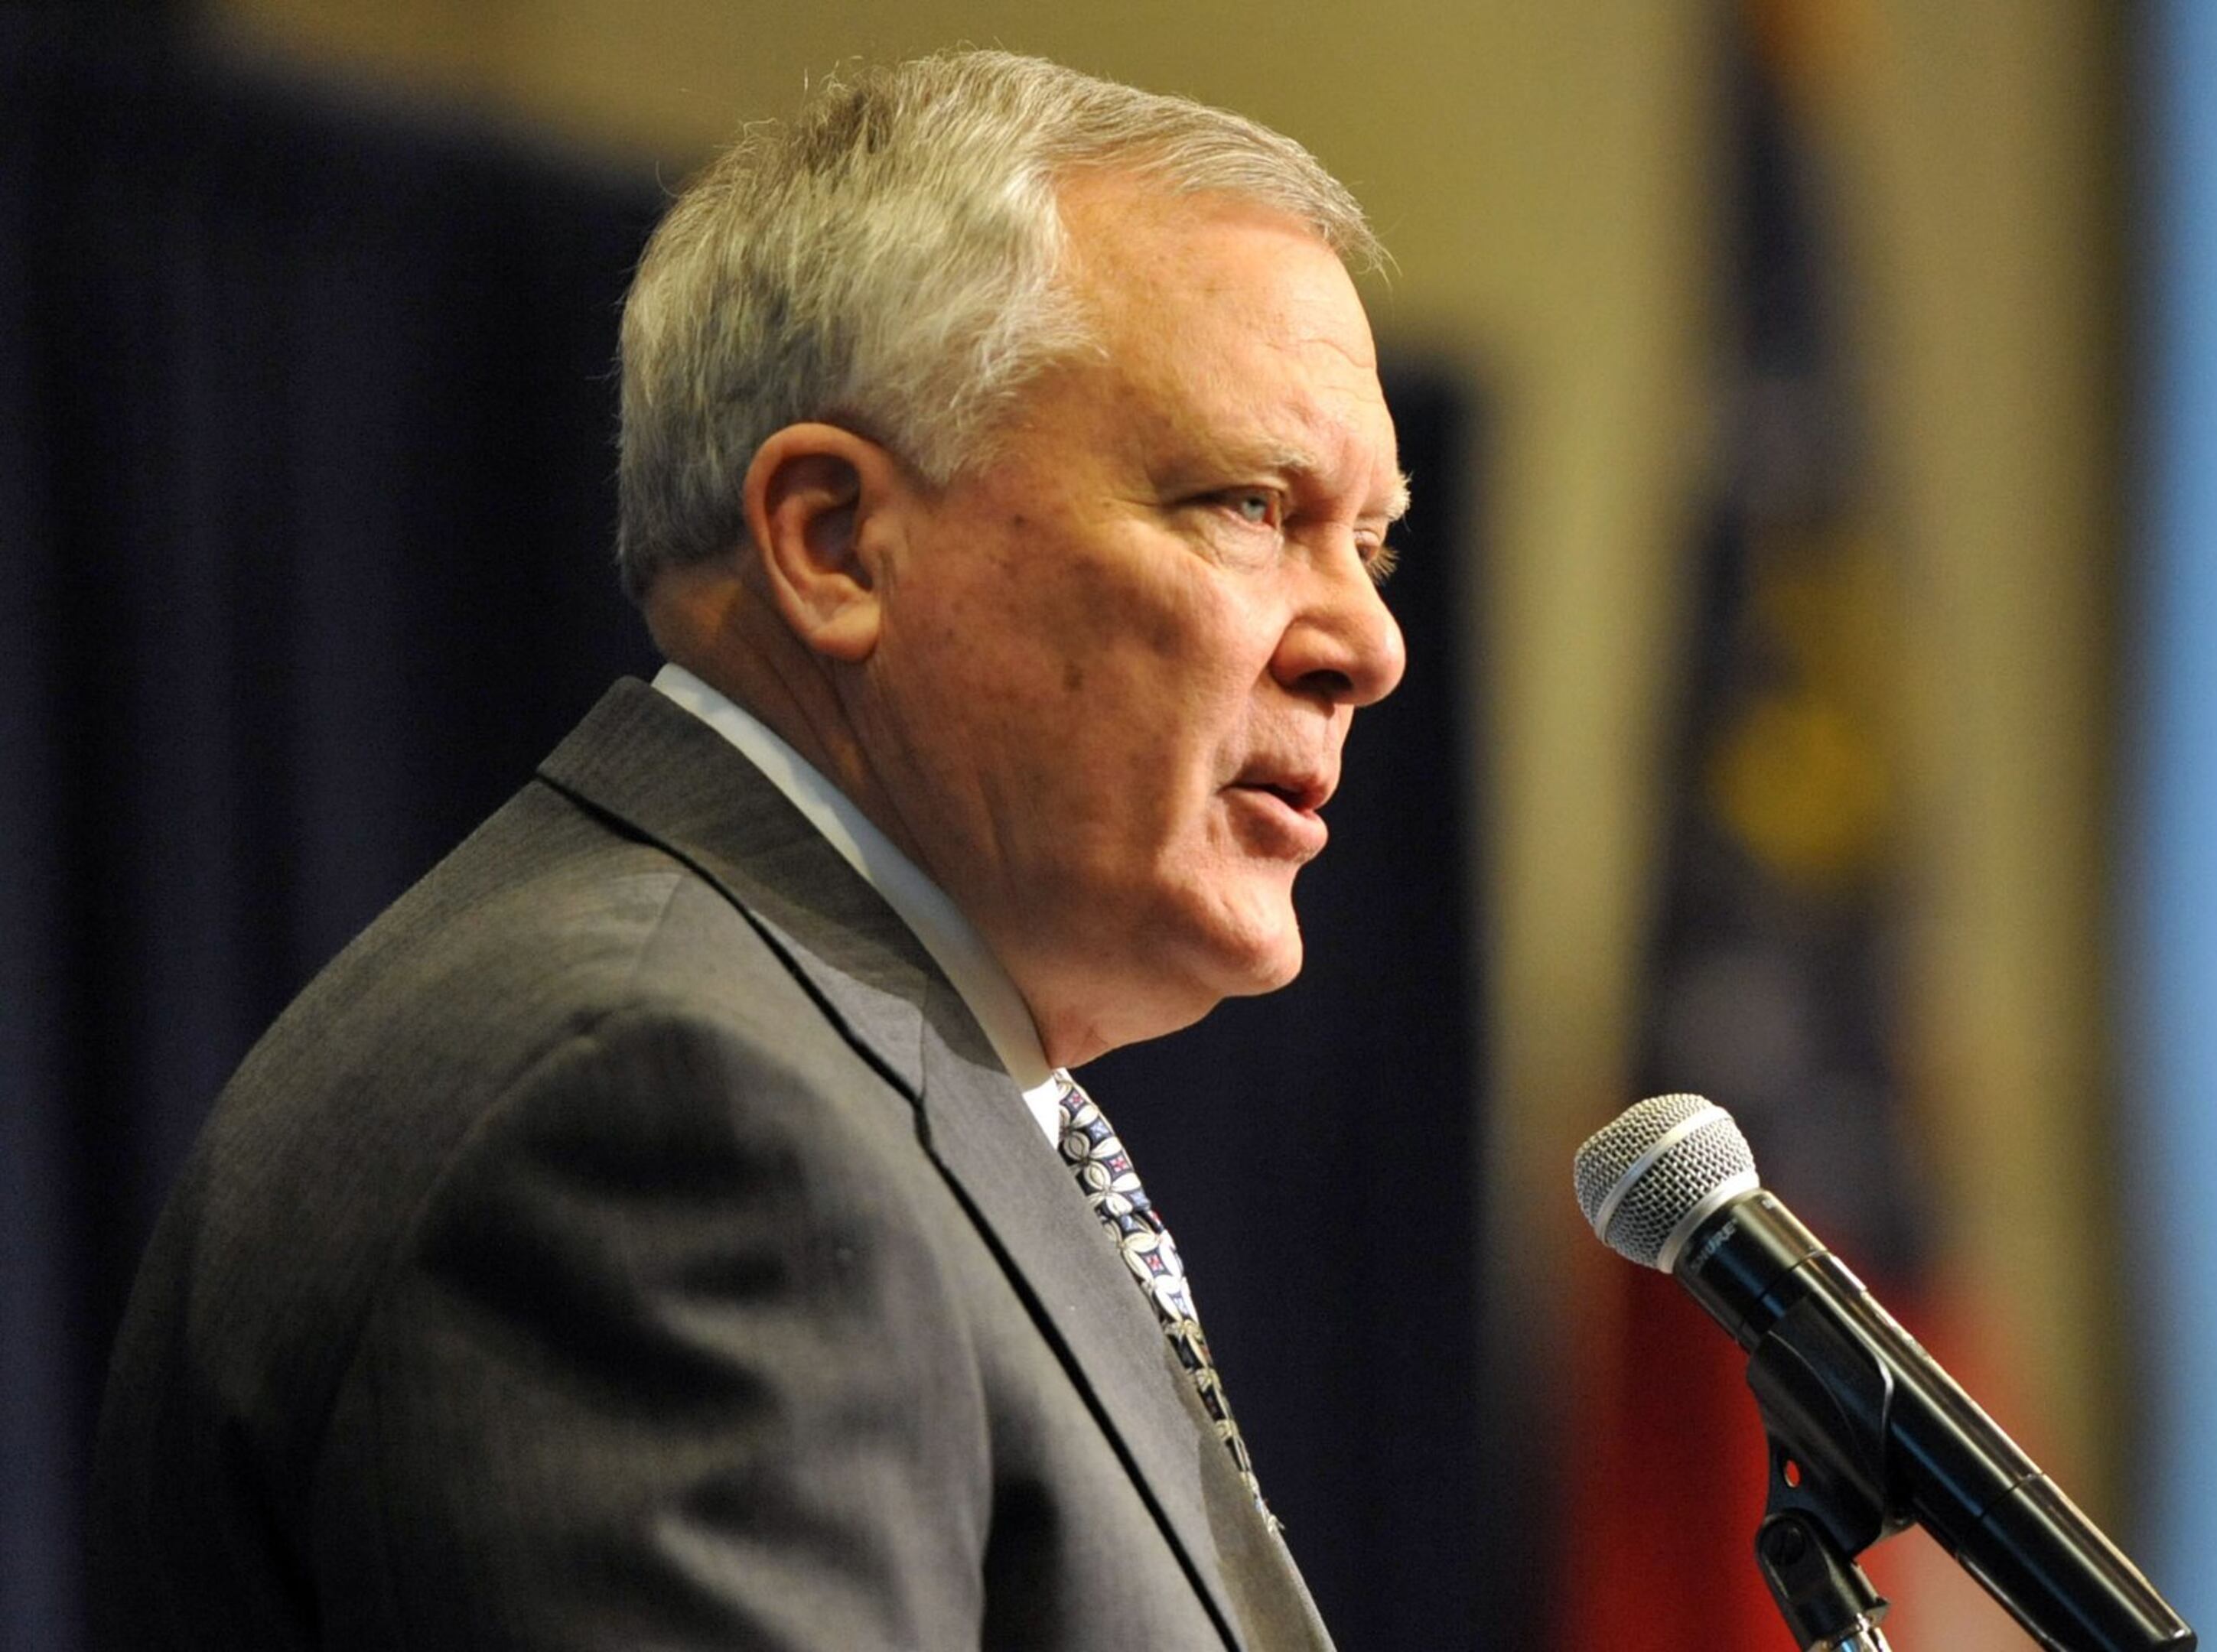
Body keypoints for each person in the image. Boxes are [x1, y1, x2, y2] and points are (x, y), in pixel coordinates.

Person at [87, 48, 1405, 1651]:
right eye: (1249, 505)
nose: (1368, 641)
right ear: (836, 543)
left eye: (1376, 539)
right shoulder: (656, 1105)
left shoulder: (850, 1066)